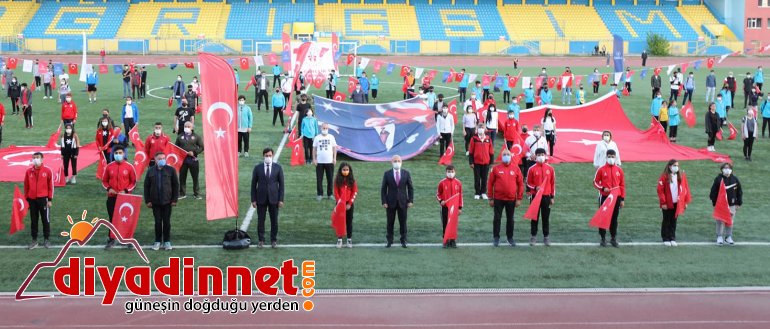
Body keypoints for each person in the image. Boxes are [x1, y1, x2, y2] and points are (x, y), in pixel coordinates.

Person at [101, 145, 137, 249]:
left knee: (126, 219)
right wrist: (109, 189)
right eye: (116, 153)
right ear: (113, 154)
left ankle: (128, 239)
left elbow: (133, 182)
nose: (118, 155)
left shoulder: (129, 167)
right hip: (112, 197)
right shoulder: (109, 166)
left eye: (120, 153)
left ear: (124, 154)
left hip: (125, 198)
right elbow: (104, 181)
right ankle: (111, 239)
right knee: (112, 218)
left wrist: (125, 191)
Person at [487, 148, 524, 247]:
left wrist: (519, 198)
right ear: (502, 156)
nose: (506, 156)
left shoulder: (516, 168)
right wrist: (490, 198)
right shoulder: (496, 168)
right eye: (504, 154)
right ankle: (496, 237)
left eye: (508, 154)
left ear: (511, 156)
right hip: (498, 198)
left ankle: (510, 237)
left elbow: (520, 184)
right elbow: (490, 184)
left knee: (510, 219)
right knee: (497, 218)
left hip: (511, 199)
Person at [144, 152, 179, 251]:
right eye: (160, 158)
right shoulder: (150, 171)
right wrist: (148, 200)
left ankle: (167, 241)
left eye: (164, 158)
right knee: (158, 222)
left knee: (167, 222)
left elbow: (176, 185)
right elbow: (146, 186)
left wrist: (174, 199)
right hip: (155, 202)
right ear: (155, 160)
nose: (162, 160)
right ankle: (158, 241)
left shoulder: (171, 170)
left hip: (167, 202)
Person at [250, 148, 285, 248]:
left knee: (274, 220)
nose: (268, 157)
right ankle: (261, 240)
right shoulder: (258, 168)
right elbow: (253, 184)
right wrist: (253, 199)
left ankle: (273, 240)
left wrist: (281, 199)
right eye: (266, 155)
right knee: (261, 220)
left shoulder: (278, 168)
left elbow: (282, 185)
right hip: (261, 198)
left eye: (270, 155)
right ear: (263, 156)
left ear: (272, 156)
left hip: (274, 198)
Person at [593, 149, 625, 247]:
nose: (611, 158)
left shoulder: (619, 170)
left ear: (615, 157)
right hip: (605, 197)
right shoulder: (601, 169)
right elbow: (595, 182)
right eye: (609, 156)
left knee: (614, 218)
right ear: (606, 157)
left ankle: (613, 238)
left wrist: (622, 199)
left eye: (612, 156)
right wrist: (602, 188)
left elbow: (622, 185)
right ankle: (603, 238)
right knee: (603, 218)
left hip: (616, 198)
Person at [381, 155, 414, 248]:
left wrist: (410, 200)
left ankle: (404, 240)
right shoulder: (387, 174)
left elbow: (410, 188)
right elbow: (383, 188)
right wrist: (384, 201)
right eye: (395, 161)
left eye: (398, 161)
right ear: (391, 162)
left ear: (401, 162)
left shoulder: (406, 173)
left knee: (403, 223)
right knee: (390, 223)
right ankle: (389, 241)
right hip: (390, 202)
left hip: (403, 202)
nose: (397, 162)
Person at [24, 152, 54, 250]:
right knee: (34, 220)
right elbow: (26, 186)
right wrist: (26, 199)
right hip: (32, 200)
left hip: (43, 199)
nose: (35, 159)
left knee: (45, 220)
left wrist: (49, 200)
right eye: (34, 158)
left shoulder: (48, 171)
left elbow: (51, 186)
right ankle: (34, 240)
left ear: (42, 159)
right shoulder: (29, 171)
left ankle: (46, 239)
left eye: (37, 157)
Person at [526, 148, 556, 246]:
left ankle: (546, 237)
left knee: (545, 217)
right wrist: (535, 187)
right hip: (535, 196)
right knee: (534, 217)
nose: (541, 156)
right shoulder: (531, 169)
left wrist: (552, 197)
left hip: (546, 197)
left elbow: (552, 184)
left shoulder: (550, 169)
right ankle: (533, 236)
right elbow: (528, 183)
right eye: (539, 155)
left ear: (545, 155)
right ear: (535, 156)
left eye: (542, 154)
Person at [710, 162, 743, 246]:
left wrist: (739, 203)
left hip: (732, 204)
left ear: (731, 169)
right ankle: (719, 236)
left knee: (730, 221)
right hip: (720, 205)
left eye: (729, 168)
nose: (727, 169)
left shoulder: (735, 179)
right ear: (722, 169)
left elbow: (739, 192)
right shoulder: (718, 179)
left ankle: (728, 237)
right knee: (720, 221)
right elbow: (713, 192)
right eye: (725, 168)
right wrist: (714, 202)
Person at [656, 159, 683, 247]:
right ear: (670, 166)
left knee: (673, 220)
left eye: (677, 166)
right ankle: (665, 237)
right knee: (666, 220)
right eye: (674, 166)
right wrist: (663, 202)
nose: (676, 167)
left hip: (676, 203)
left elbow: (683, 190)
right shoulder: (664, 177)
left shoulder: (679, 177)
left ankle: (672, 237)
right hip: (667, 203)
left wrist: (683, 202)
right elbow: (660, 190)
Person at [176, 121, 204, 200]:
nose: (187, 127)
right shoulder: (180, 136)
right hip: (183, 160)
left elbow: (202, 147)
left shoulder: (196, 137)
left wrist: (194, 152)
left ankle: (196, 194)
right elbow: (176, 147)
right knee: (182, 177)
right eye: (185, 126)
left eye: (188, 126)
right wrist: (180, 153)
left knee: (195, 177)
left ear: (192, 127)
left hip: (193, 160)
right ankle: (182, 193)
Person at [436, 165, 463, 248]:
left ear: (455, 172)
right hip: (445, 207)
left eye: (452, 172)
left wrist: (460, 208)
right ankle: (446, 240)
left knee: (453, 224)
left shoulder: (458, 183)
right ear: (446, 172)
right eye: (448, 172)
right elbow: (438, 194)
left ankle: (453, 240)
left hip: (454, 208)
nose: (450, 173)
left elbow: (460, 196)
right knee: (445, 223)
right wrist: (441, 201)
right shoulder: (442, 183)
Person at [333, 162, 358, 248]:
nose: (345, 171)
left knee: (349, 222)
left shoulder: (352, 181)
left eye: (347, 170)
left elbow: (354, 192)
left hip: (349, 205)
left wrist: (350, 203)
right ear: (340, 170)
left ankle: (349, 239)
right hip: (340, 204)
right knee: (340, 222)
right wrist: (340, 203)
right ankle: (339, 239)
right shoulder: (337, 180)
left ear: (349, 171)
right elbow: (336, 193)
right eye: (344, 170)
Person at [469, 124, 494, 200]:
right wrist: (471, 162)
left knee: (485, 178)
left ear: (485, 129)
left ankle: (483, 192)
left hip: (486, 162)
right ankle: (477, 193)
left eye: (482, 127)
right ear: (477, 129)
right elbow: (471, 152)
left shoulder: (488, 139)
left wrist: (491, 163)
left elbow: (491, 152)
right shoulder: (474, 139)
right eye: (479, 127)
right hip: (476, 162)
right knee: (477, 178)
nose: (481, 129)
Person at [313, 123, 337, 201]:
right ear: (321, 128)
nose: (325, 129)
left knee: (330, 179)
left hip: (329, 161)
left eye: (326, 128)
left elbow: (334, 148)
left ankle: (330, 194)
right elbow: (314, 149)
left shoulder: (331, 137)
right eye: (324, 128)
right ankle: (320, 194)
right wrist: (314, 159)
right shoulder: (317, 138)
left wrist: (334, 158)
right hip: (319, 162)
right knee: (319, 179)